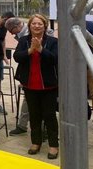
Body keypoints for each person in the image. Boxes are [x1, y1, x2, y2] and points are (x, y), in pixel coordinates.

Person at [13, 14, 59, 159]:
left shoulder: (52, 41)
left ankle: (53, 145)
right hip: (30, 84)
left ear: (45, 26)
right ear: (30, 26)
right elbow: (17, 57)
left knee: (49, 115)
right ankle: (36, 142)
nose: (37, 26)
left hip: (48, 85)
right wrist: (30, 50)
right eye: (34, 24)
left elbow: (55, 59)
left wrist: (40, 49)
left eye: (40, 24)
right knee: (34, 115)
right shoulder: (23, 41)